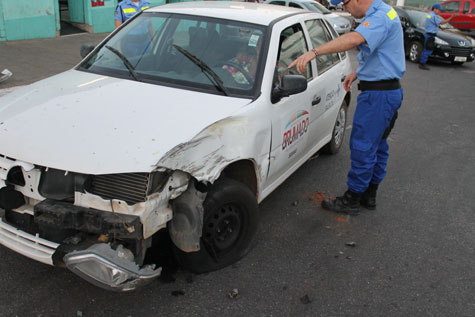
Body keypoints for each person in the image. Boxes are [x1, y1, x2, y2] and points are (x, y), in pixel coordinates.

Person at [289, 0, 405, 214]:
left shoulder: (380, 16)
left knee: (363, 145)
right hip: (386, 91)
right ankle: (369, 194)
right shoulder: (385, 13)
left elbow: (355, 39)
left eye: (346, 2)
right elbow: (380, 55)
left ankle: (353, 198)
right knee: (377, 145)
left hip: (378, 96)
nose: (345, 8)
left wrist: (314, 52)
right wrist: (357, 73)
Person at [419, 4, 458, 70]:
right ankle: (422, 63)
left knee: (427, 49)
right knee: (428, 50)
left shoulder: (429, 15)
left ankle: (422, 62)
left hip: (429, 35)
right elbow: (442, 22)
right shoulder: (433, 16)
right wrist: (451, 17)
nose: (440, 11)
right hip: (430, 35)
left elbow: (434, 24)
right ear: (435, 9)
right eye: (439, 10)